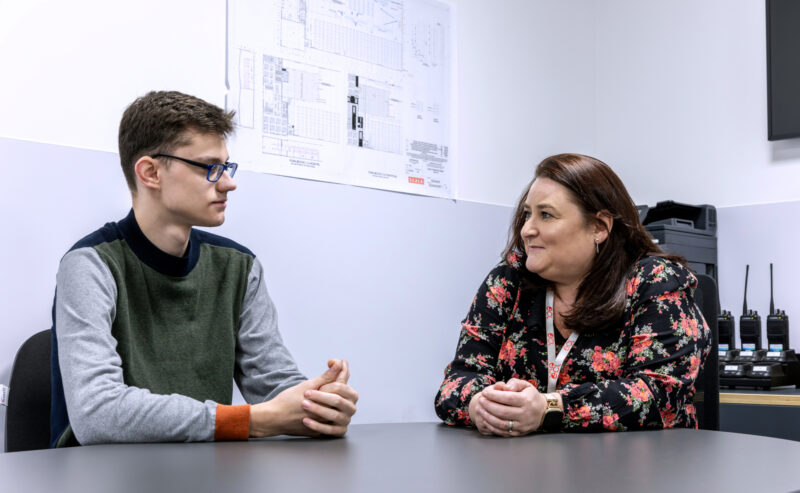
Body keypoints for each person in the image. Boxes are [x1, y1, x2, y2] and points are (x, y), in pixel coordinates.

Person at [50, 91, 358, 447]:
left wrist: (318, 403)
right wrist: (250, 421)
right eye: (211, 168)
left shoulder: (240, 267)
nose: (228, 182)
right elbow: (98, 414)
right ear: (150, 172)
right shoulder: (89, 264)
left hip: (205, 473)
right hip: (104, 478)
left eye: (227, 167)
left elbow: (273, 385)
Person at [434, 153, 710, 436]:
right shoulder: (508, 282)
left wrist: (549, 407)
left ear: (599, 227)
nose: (527, 229)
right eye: (528, 214)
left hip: (637, 470)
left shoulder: (653, 281)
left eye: (546, 215)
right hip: (524, 471)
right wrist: (480, 404)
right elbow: (457, 381)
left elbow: (659, 393)